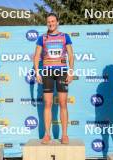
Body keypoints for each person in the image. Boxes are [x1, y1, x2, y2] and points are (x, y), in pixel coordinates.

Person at [33, 13, 74, 144]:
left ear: (57, 22)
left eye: (53, 21)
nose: (51, 23)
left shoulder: (65, 37)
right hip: (47, 72)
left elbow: (71, 55)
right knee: (48, 104)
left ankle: (65, 135)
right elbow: (36, 56)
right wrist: (37, 73)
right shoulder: (42, 38)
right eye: (48, 22)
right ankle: (47, 134)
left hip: (62, 71)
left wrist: (71, 72)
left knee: (63, 103)